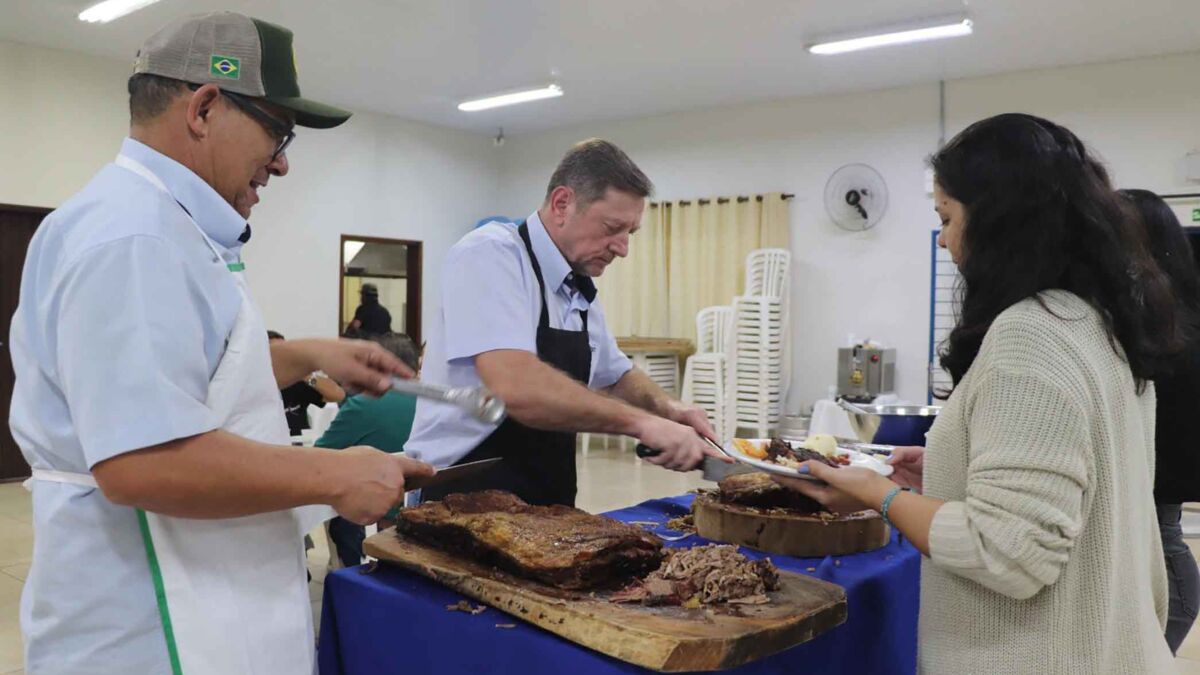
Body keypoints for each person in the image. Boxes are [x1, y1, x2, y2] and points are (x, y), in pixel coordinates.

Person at [7, 12, 434, 674]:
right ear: (205, 107)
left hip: (196, 590)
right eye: (277, 130)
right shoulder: (134, 238)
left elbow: (174, 376)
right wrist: (337, 472)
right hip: (149, 625)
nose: (284, 162)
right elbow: (141, 459)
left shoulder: (166, 226)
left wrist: (309, 355)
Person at [776, 114, 1179, 672]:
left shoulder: (1031, 333)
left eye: (947, 217)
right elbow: (1073, 493)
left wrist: (879, 495)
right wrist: (947, 470)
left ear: (1001, 221)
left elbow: (1007, 554)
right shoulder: (1100, 324)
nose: (943, 239)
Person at [405, 138, 728, 506]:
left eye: (630, 233)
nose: (622, 248)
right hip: (458, 494)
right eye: (612, 228)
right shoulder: (490, 254)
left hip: (545, 499)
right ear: (562, 204)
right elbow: (518, 387)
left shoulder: (577, 286)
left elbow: (615, 373)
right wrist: (643, 424)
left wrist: (670, 409)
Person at [1120, 188, 1200, 654]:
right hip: (1156, 469)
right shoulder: (1169, 301)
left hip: (1158, 468)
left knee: (1166, 551)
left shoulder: (1159, 312)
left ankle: (1152, 653)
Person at [317, 332, 422, 567]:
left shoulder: (362, 405)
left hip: (380, 514)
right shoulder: (436, 404)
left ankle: (348, 570)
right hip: (426, 506)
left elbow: (321, 454)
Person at [268, 330, 346, 435]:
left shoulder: (296, 382)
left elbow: (337, 395)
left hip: (298, 445)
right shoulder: (252, 387)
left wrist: (305, 375)